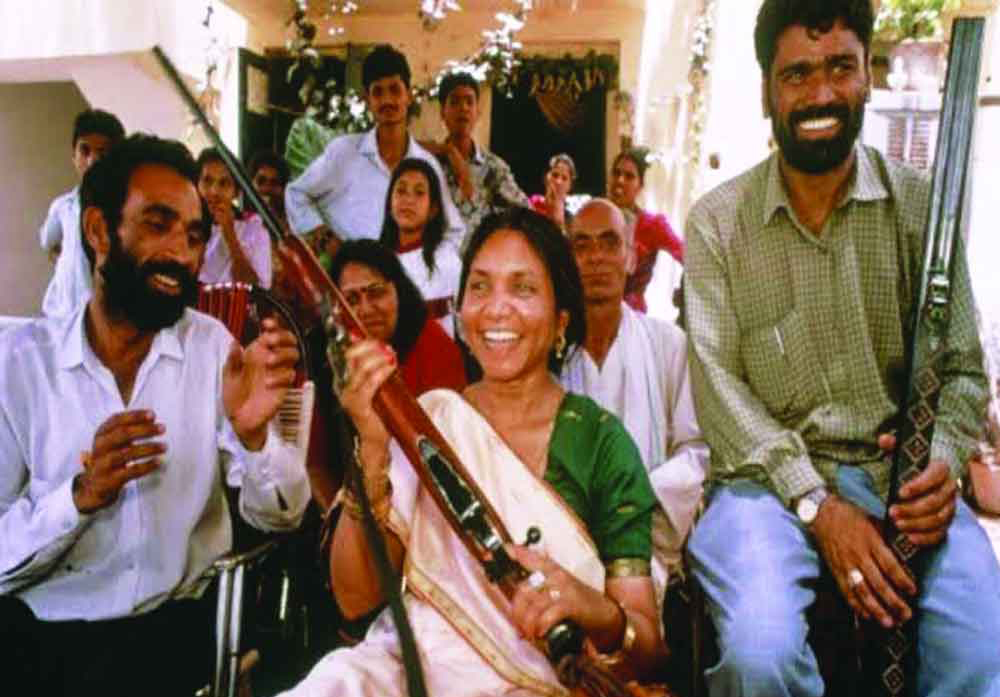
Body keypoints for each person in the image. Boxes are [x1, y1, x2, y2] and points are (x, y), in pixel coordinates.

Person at [683, 2, 1000, 696]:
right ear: (767, 89)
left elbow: (962, 370)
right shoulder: (716, 224)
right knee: (759, 653)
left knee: (985, 649)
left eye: (840, 68)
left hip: (899, 479)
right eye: (797, 74)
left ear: (868, 78)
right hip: (762, 487)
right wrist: (817, 505)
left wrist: (942, 462)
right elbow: (718, 392)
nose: (821, 94)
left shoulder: (920, 209)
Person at [282, 208, 667, 696]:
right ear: (461, 313)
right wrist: (373, 446)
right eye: (480, 287)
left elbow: (648, 651)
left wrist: (590, 607)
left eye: (523, 288)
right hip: (407, 670)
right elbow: (356, 598)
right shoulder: (429, 421)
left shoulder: (600, 443)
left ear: (561, 320)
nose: (496, 309)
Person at [0, 134, 310, 696]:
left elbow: (282, 518)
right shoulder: (21, 366)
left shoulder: (212, 348)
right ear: (98, 231)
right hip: (42, 638)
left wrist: (254, 438)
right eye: (157, 225)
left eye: (193, 236)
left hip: (174, 635)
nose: (182, 255)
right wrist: (79, 497)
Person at [562, 198, 707, 602]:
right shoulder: (550, 352)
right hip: (564, 543)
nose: (596, 258)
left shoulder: (668, 344)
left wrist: (631, 507)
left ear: (630, 257)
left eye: (609, 243)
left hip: (646, 537)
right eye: (582, 246)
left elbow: (695, 451)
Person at [284, 44, 465, 257]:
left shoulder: (426, 164)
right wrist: (325, 238)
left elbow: (454, 231)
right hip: (348, 274)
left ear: (408, 95)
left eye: (395, 90)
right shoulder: (344, 152)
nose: (387, 100)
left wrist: (426, 267)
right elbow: (296, 193)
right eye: (378, 92)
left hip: (404, 277)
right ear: (367, 100)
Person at [330, 239, 466, 400]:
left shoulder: (438, 351)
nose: (365, 310)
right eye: (351, 299)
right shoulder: (339, 348)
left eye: (376, 292)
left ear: (399, 292)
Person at [39, 108, 125, 317]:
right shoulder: (63, 206)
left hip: (104, 317)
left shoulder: (126, 207)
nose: (92, 160)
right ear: (74, 155)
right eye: (84, 151)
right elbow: (48, 242)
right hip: (61, 314)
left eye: (102, 152)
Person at [420, 71, 530, 234]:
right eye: (455, 102)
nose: (463, 108)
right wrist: (449, 151)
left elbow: (525, 211)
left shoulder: (492, 167)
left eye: (469, 102)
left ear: (477, 112)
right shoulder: (429, 164)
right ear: (443, 112)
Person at [379, 158, 463, 333]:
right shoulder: (376, 260)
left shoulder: (447, 259)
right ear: (389, 204)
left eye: (419, 193)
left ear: (433, 209)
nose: (408, 200)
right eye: (401, 191)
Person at [607, 149, 684, 313]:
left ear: (640, 186)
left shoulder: (653, 225)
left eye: (629, 176)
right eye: (616, 173)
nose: (620, 180)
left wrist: (686, 292)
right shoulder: (596, 217)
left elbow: (688, 256)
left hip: (632, 316)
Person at [196, 147, 272, 288]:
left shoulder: (255, 231)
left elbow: (255, 291)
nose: (214, 191)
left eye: (224, 183)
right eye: (207, 180)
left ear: (236, 192)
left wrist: (230, 235)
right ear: (196, 184)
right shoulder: (184, 224)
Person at [529, 153, 576, 232]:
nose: (558, 182)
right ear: (546, 178)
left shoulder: (572, 221)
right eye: (555, 175)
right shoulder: (532, 205)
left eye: (564, 178)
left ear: (570, 186)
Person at [247, 148, 291, 229]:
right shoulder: (240, 225)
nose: (266, 188)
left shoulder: (296, 226)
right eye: (261, 181)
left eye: (274, 183)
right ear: (251, 184)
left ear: (284, 189)